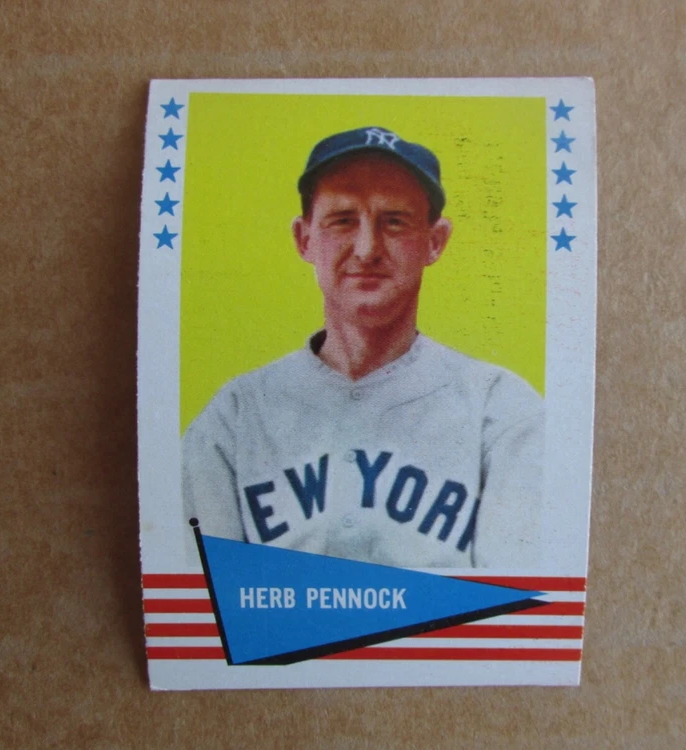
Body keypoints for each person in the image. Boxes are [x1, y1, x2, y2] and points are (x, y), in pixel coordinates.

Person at [183, 126, 542, 568]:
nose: (367, 249)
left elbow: (516, 601)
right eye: (342, 220)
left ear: (435, 241)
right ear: (304, 238)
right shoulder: (235, 416)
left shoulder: (500, 409)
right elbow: (198, 597)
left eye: (394, 222)